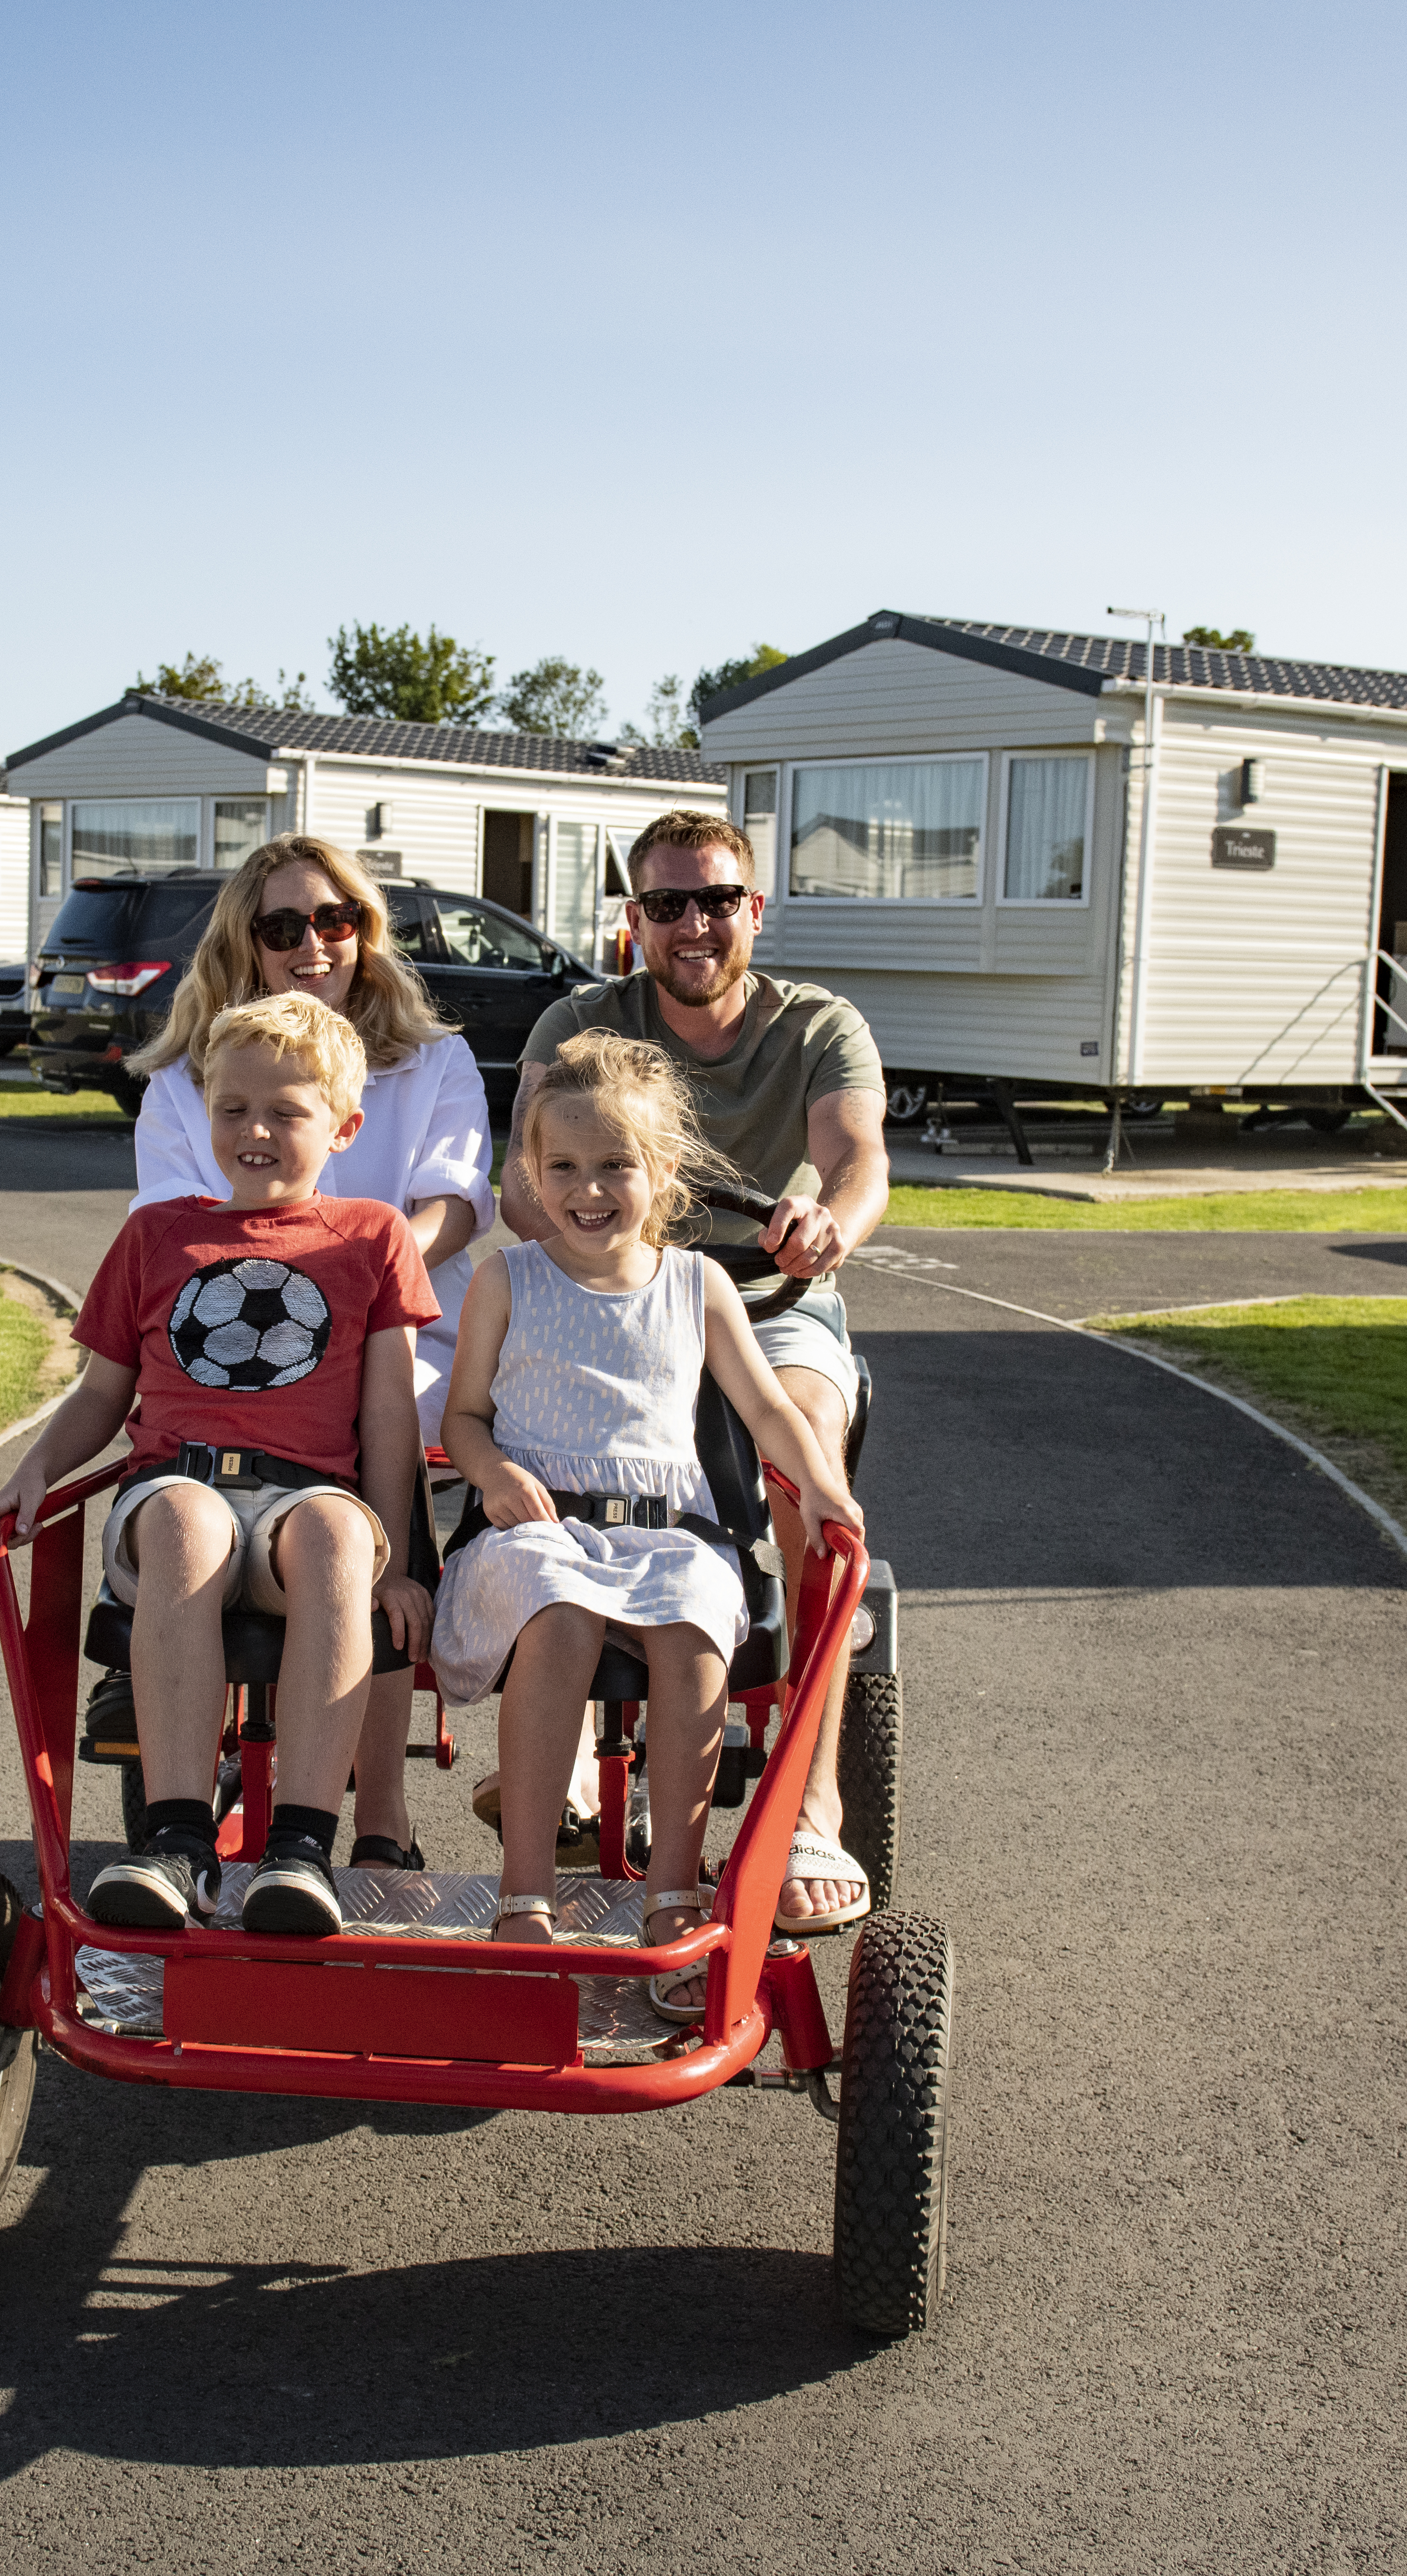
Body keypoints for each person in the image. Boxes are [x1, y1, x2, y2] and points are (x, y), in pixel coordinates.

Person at [0, 991, 439, 1937]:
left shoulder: (372, 1236)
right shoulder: (158, 1235)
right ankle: (179, 1840)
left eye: (285, 1111)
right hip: (176, 1488)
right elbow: (101, 1395)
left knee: (335, 1534)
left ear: (344, 1128)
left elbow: (390, 1415)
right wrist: (35, 1469)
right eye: (233, 1108)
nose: (255, 1130)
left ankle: (301, 1850)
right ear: (205, 1115)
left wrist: (396, 1559)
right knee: (188, 1521)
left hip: (303, 1499)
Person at [510, 809, 890, 1936]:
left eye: (717, 900)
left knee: (804, 1453)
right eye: (668, 903)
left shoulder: (818, 1024)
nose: (694, 924)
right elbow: (523, 1177)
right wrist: (606, 1252)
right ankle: (566, 1765)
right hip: (616, 1292)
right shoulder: (582, 1021)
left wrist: (828, 1221)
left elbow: (857, 1156)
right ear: (635, 918)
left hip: (771, 1304)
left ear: (754, 909)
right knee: (541, 1461)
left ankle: (811, 1804)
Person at [436, 1032, 863, 2018]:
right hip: (539, 1529)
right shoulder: (509, 1281)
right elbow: (463, 1418)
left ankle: (673, 1889)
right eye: (563, 1169)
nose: (588, 1191)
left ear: (664, 1171)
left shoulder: (696, 1285)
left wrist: (821, 1486)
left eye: (615, 1166)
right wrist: (492, 1473)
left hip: (666, 1532)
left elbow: (768, 1410)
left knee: (697, 1616)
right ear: (533, 1174)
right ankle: (526, 1895)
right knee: (560, 1614)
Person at [127, 834, 489, 1869]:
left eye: (335, 920)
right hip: (237, 1339)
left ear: (365, 932)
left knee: (387, 1425)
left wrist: (355, 1279)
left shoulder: (431, 1061)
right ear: (244, 943)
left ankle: (380, 1817)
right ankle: (188, 1772)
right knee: (244, 1442)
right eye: (282, 926)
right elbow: (179, 1233)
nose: (312, 944)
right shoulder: (189, 1079)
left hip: (402, 1321)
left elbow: (456, 1201)